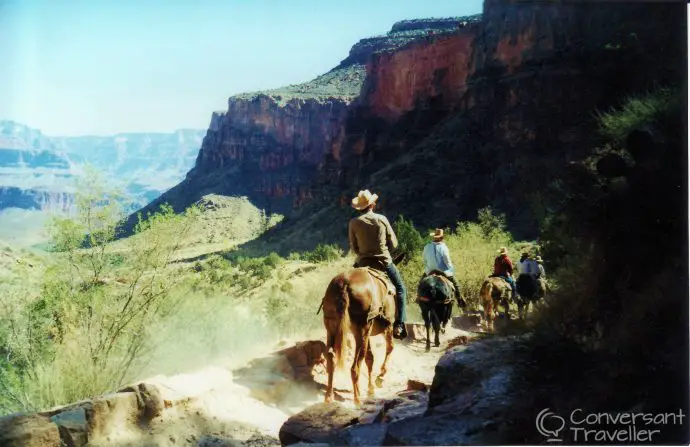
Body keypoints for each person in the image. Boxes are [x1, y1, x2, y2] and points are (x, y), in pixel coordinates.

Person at [348, 189, 408, 339]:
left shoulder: (353, 223)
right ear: (372, 204)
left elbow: (354, 248)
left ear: (359, 208)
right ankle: (399, 324)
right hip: (384, 261)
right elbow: (394, 243)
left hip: (362, 263)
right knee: (401, 289)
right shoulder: (381, 219)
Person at [422, 229, 465, 307]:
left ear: (434, 237)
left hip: (429, 271)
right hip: (443, 271)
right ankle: (460, 301)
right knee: (456, 284)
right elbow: (447, 262)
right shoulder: (444, 247)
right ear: (441, 238)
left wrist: (429, 266)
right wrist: (452, 270)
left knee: (421, 284)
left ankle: (418, 298)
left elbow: (424, 260)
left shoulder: (426, 247)